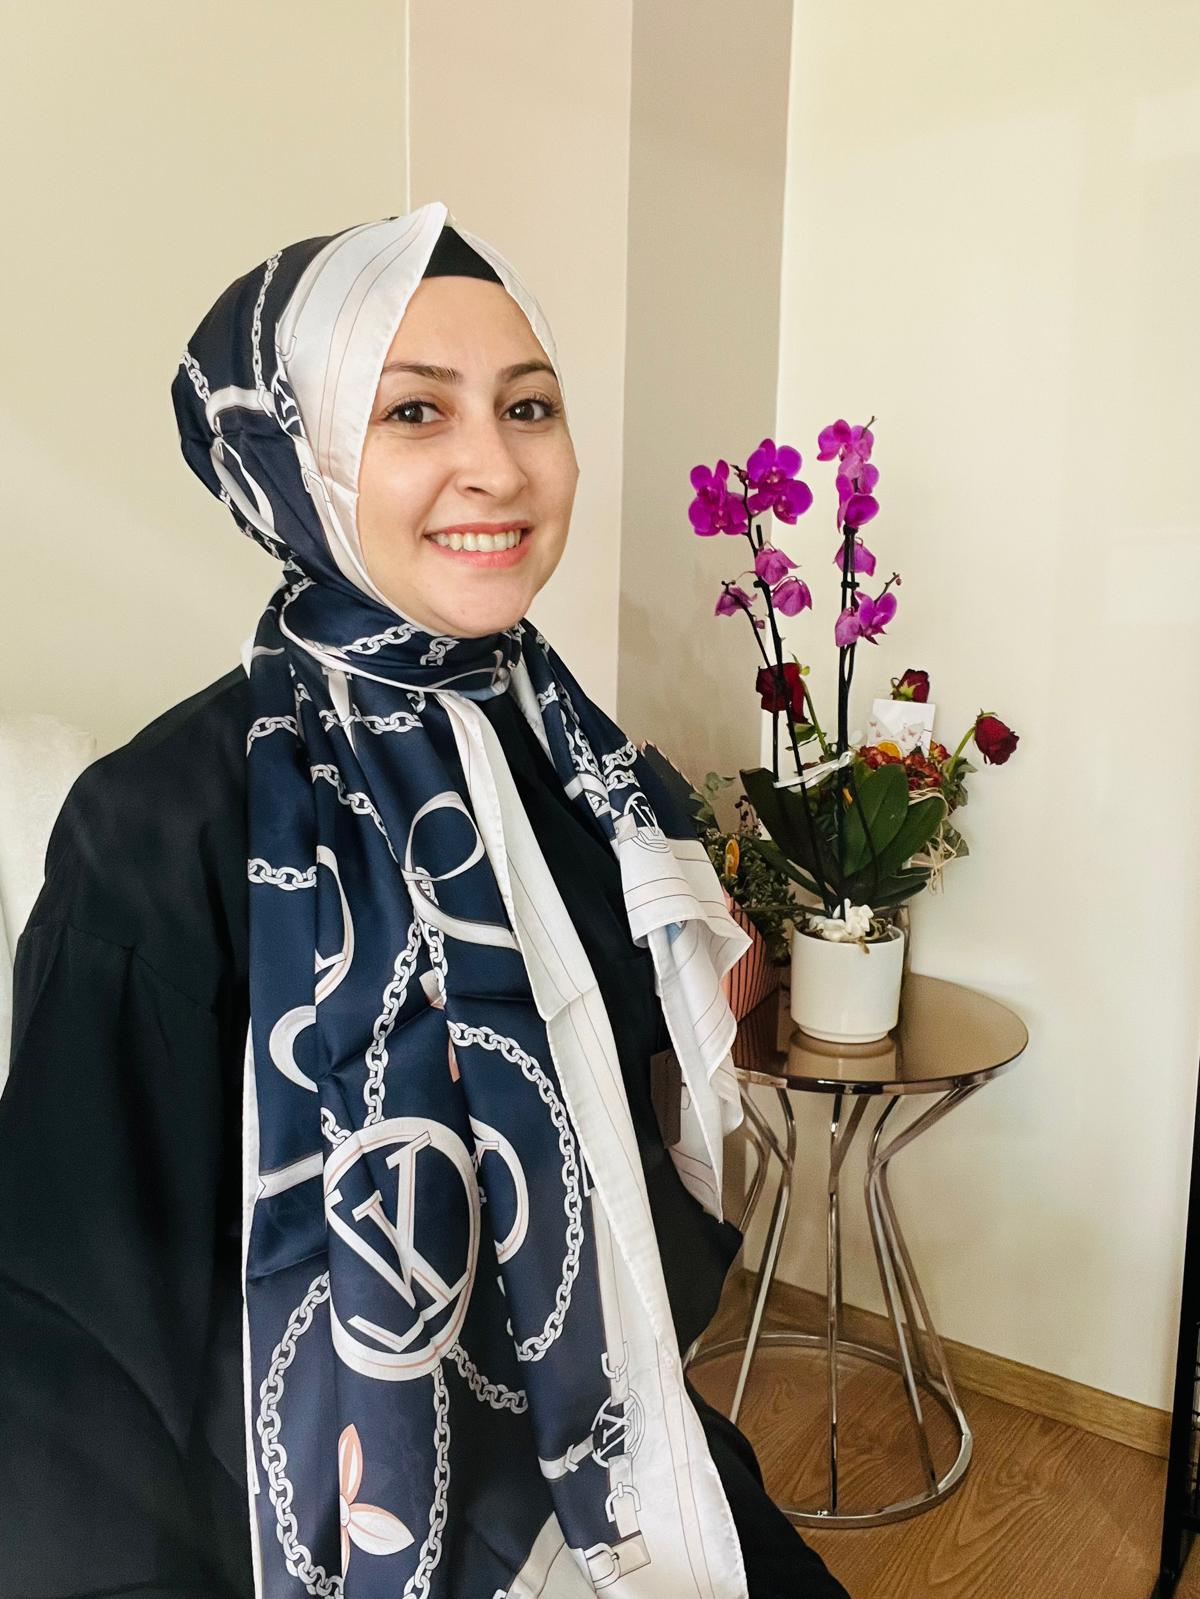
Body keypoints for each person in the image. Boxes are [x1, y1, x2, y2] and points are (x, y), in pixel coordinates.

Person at [0, 201, 852, 1599]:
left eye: (529, 406)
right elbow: (68, 1326)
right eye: (412, 412)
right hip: (299, 1500)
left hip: (612, 1426)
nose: (497, 467)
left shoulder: (586, 773)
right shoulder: (161, 825)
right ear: (292, 461)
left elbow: (631, 1171)